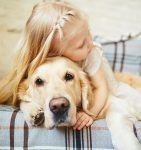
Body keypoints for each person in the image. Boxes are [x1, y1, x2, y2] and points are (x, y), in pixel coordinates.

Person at [0, 0, 109, 130]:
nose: (91, 43)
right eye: (39, 81)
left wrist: (89, 113)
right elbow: (12, 88)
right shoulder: (31, 67)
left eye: (68, 76)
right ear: (56, 52)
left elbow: (101, 87)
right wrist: (26, 105)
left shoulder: (91, 54)